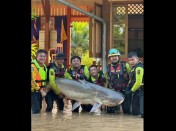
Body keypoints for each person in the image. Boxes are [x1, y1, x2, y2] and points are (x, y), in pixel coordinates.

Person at [106, 48, 131, 114]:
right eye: (112, 56)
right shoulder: (108, 67)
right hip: (113, 93)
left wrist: (129, 89)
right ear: (110, 58)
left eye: (115, 56)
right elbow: (107, 81)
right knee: (110, 113)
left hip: (125, 92)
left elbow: (131, 77)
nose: (114, 58)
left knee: (127, 112)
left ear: (118, 57)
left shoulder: (125, 65)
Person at [125, 51, 144, 118]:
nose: (131, 62)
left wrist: (131, 91)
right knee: (134, 112)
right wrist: (127, 87)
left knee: (142, 113)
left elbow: (138, 82)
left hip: (142, 91)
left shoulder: (139, 68)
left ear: (137, 59)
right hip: (137, 92)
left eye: (133, 59)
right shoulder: (133, 69)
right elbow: (131, 79)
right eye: (129, 60)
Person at [31, 49, 48, 114]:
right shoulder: (32, 66)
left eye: (44, 56)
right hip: (33, 91)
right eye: (40, 56)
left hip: (39, 91)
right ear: (37, 57)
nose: (42, 58)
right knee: (36, 110)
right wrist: (41, 90)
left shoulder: (44, 66)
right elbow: (32, 80)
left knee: (39, 108)